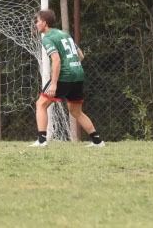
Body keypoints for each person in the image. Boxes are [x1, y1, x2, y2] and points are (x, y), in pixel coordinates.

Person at [32, 8, 104, 147]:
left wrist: (53, 84)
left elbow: (56, 60)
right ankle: (97, 141)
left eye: (38, 21)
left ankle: (41, 141)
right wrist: (72, 66)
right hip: (78, 73)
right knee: (76, 111)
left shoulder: (48, 38)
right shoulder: (64, 34)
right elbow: (81, 55)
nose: (36, 24)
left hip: (65, 75)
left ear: (45, 23)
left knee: (41, 104)